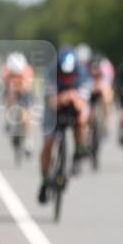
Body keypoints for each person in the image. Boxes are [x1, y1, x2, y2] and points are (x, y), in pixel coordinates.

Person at [38, 47, 91, 203]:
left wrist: (74, 98)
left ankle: (79, 148)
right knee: (48, 143)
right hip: (53, 111)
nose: (67, 77)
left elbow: (82, 103)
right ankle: (45, 179)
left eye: (70, 75)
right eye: (64, 75)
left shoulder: (82, 74)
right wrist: (62, 98)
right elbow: (51, 102)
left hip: (73, 108)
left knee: (82, 119)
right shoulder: (50, 73)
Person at [1, 52, 35, 153]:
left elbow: (27, 87)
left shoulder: (28, 71)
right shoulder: (6, 70)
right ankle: (8, 120)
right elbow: (5, 85)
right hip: (11, 90)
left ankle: (28, 139)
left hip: (24, 91)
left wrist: (20, 87)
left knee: (26, 114)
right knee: (9, 98)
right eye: (14, 73)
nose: (16, 75)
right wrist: (11, 90)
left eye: (18, 73)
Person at [88, 52, 115, 135]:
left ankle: (105, 121)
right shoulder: (87, 67)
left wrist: (99, 87)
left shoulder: (106, 67)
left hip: (102, 86)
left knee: (106, 96)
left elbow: (107, 83)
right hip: (92, 87)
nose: (95, 71)